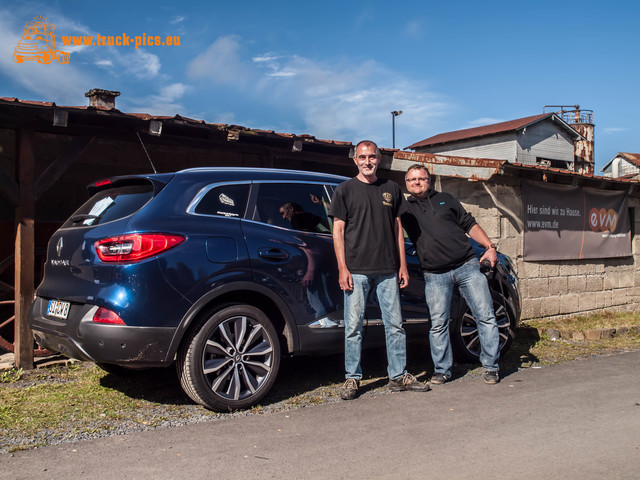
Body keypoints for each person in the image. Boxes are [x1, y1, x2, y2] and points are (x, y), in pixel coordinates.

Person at [328, 141, 429, 400]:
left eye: (371, 156)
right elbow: (337, 232)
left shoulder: (391, 189)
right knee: (353, 327)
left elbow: (398, 230)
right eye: (362, 157)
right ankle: (352, 378)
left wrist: (403, 265)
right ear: (355, 160)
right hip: (356, 269)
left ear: (379, 158)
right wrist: (342, 268)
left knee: (395, 325)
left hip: (387, 270)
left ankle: (398, 376)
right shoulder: (344, 190)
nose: (367, 161)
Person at [402, 163, 501, 385]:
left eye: (421, 178)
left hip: (467, 266)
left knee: (485, 316)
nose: (417, 182)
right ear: (406, 184)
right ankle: (442, 370)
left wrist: (489, 247)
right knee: (438, 324)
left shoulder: (445, 199)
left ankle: (491, 366)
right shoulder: (405, 209)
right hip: (435, 275)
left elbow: (469, 224)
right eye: (412, 180)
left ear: (429, 180)